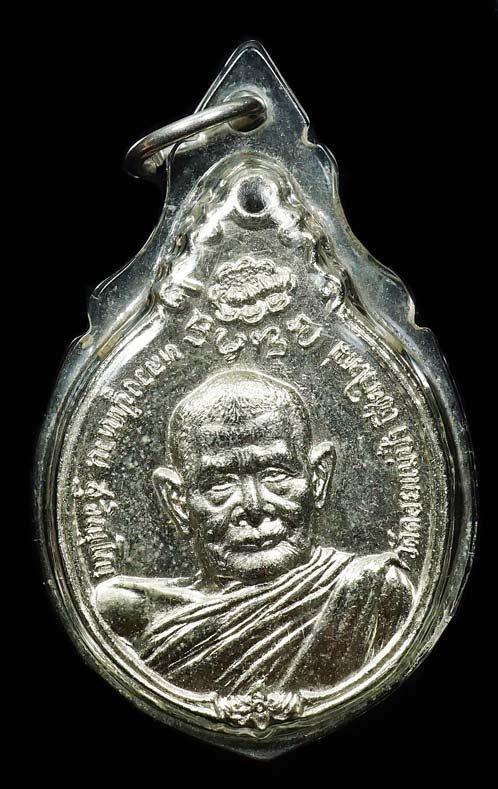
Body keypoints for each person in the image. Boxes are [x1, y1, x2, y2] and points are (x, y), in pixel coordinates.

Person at [95, 369, 413, 694]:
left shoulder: (374, 593)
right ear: (177, 501)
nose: (254, 506)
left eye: (276, 474)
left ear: (318, 478)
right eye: (220, 483)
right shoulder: (127, 614)